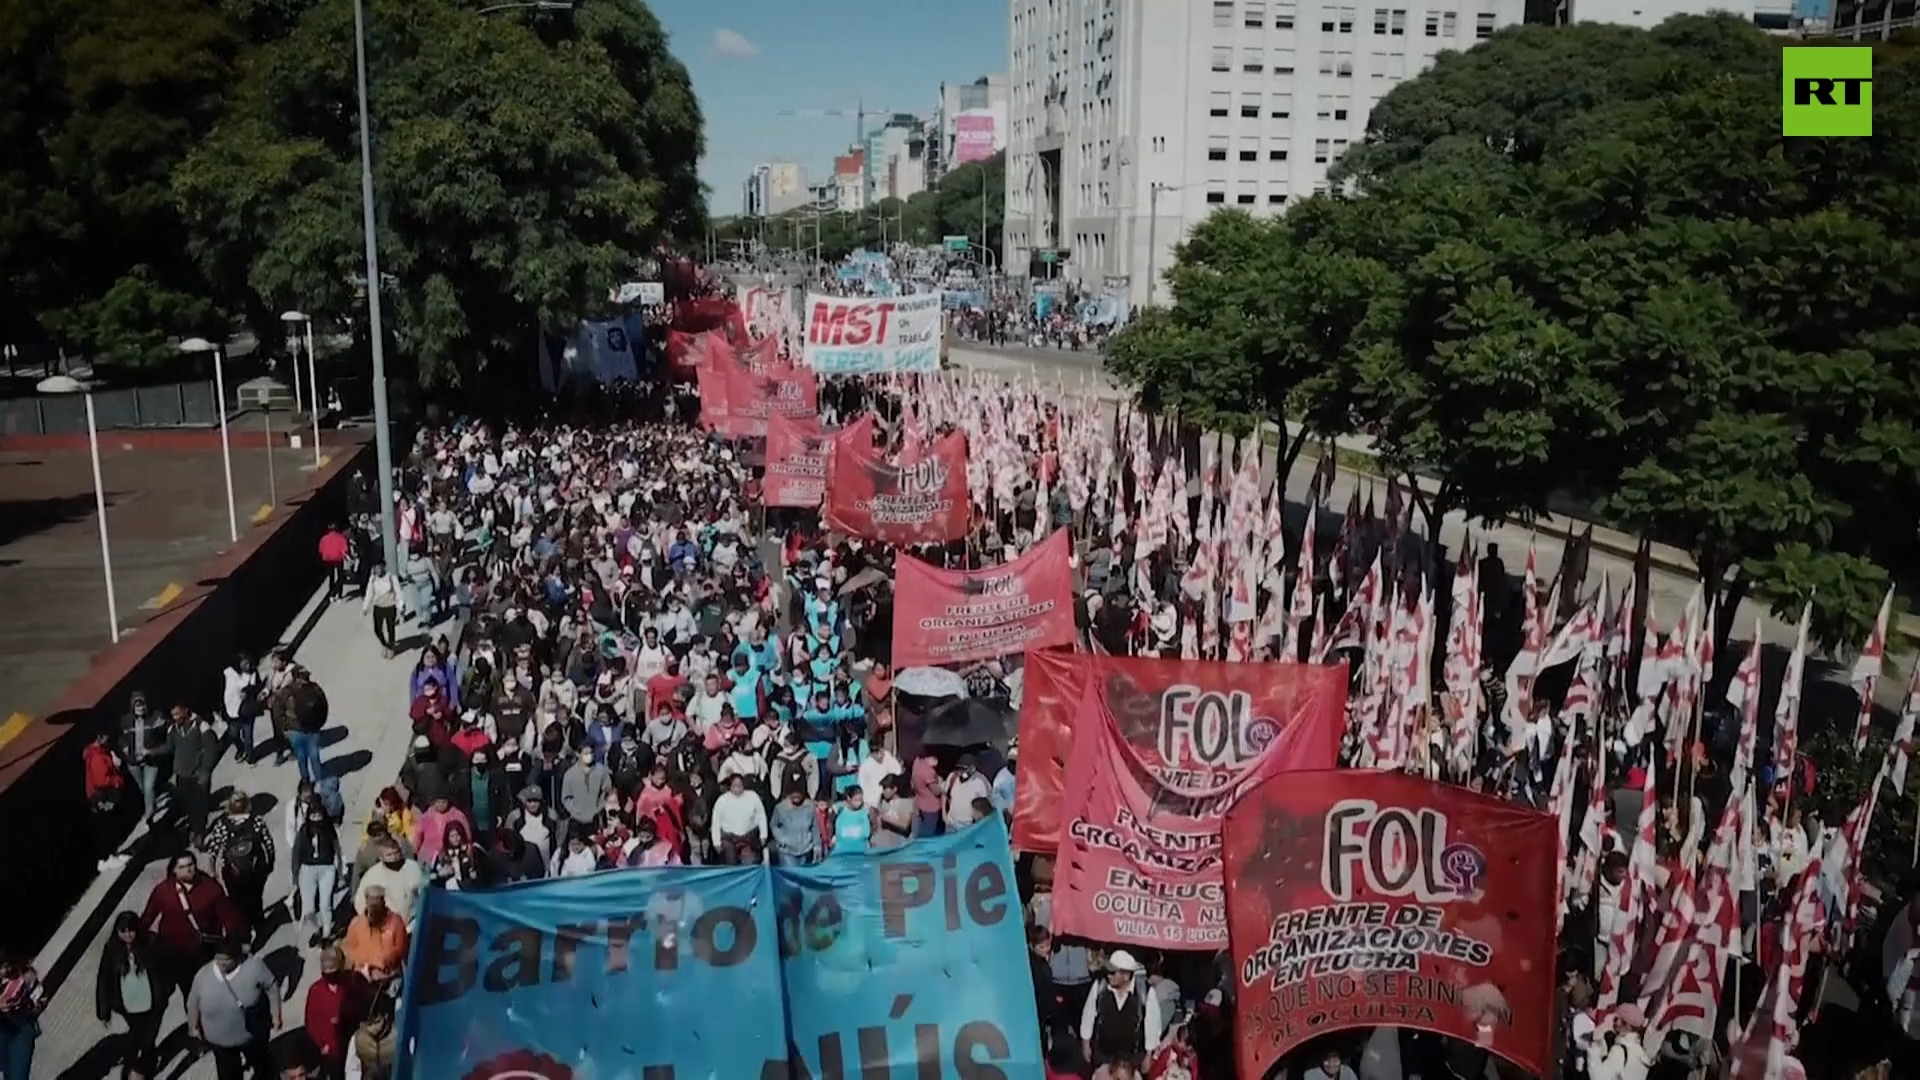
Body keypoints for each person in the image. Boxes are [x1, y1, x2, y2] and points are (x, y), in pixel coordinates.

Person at [140, 853, 240, 1016]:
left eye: (191, 865)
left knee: (210, 987)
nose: (189, 870)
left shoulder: (211, 888)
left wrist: (234, 944)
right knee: (189, 991)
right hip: (176, 954)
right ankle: (196, 1023)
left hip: (205, 951)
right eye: (183, 867)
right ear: (174, 870)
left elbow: (228, 917)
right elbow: (147, 917)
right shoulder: (163, 891)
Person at [185, 937, 280, 1080]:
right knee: (228, 1074)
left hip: (251, 1034)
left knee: (263, 1067)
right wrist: (193, 1026)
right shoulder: (203, 975)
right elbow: (193, 1001)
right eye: (218, 959)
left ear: (237, 957)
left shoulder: (254, 967)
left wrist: (276, 1013)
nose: (222, 963)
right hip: (220, 1042)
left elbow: (271, 986)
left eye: (226, 959)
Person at [95, 911, 163, 1080]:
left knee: (147, 1040)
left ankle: (143, 1068)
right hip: (128, 1005)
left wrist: (165, 993)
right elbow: (104, 979)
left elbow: (164, 970)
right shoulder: (111, 950)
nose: (127, 935)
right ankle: (134, 1072)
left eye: (131, 930)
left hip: (152, 1003)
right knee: (137, 1039)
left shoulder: (151, 943)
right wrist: (104, 1011)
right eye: (123, 931)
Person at [206, 791, 276, 947]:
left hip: (231, 872)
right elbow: (268, 844)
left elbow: (213, 850)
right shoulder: (256, 821)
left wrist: (213, 872)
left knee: (236, 903)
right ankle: (259, 927)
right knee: (255, 900)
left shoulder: (223, 824)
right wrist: (270, 864)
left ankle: (244, 934)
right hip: (256, 869)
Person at [1080, 950, 1160, 1076]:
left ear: (1126, 975)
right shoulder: (1100, 986)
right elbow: (1088, 1015)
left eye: (1113, 972)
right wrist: (1085, 1043)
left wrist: (1149, 1055)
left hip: (1132, 1058)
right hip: (1104, 1055)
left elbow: (1153, 1025)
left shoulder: (1145, 992)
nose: (1108, 976)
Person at [304, 947, 370, 1080]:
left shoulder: (353, 983)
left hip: (354, 1046)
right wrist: (322, 1045)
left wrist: (344, 1017)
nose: (330, 977)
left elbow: (365, 1008)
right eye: (326, 974)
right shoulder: (316, 991)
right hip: (332, 1052)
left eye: (334, 973)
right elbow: (311, 1021)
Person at [292, 800, 344, 947]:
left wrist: (340, 871)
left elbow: (337, 851)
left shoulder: (329, 829)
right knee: (308, 908)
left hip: (327, 868)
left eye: (318, 814)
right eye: (313, 814)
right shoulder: (303, 831)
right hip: (307, 869)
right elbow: (296, 853)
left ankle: (326, 933)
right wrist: (295, 876)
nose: (316, 818)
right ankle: (317, 929)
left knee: (325, 904)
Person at [341, 887, 408, 987]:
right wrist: (364, 963)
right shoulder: (357, 923)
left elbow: (401, 950)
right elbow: (348, 948)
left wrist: (382, 961)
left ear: (383, 902)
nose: (374, 909)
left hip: (386, 979)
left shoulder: (395, 922)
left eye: (377, 904)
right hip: (360, 979)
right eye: (371, 904)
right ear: (366, 903)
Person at [85, 728, 131, 872]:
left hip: (100, 796)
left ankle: (110, 855)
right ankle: (106, 858)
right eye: (106, 736)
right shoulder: (97, 757)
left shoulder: (99, 752)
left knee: (105, 826)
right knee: (105, 828)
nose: (108, 739)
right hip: (102, 796)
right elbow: (101, 780)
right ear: (99, 737)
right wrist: (117, 780)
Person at [353, 840, 427, 924]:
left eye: (396, 853)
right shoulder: (372, 875)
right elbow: (360, 903)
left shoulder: (413, 867)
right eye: (389, 855)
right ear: (381, 857)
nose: (394, 857)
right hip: (386, 926)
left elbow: (424, 892)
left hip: (412, 924)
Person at [0, 954, 45, 1080]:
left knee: (18, 1075)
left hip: (20, 1031)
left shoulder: (24, 976)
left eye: (5, 965)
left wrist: (32, 1008)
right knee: (7, 1070)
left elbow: (40, 995)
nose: (5, 971)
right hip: (2, 1032)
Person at [284, 666, 330, 784]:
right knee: (301, 758)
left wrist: (320, 723)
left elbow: (323, 706)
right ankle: (306, 781)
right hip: (296, 731)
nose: (307, 679)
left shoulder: (315, 689)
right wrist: (284, 729)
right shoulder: (288, 691)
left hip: (312, 730)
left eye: (307, 677)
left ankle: (320, 780)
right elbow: (278, 710)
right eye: (303, 677)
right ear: (296, 679)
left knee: (314, 756)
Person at [711, 772, 768, 865]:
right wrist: (716, 842)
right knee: (731, 865)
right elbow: (716, 822)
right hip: (729, 838)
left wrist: (763, 835)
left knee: (750, 863)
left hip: (749, 836)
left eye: (739, 784)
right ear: (730, 786)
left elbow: (761, 816)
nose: (737, 787)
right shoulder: (722, 800)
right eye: (735, 785)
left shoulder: (753, 796)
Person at [771, 779, 823, 866]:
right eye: (793, 794)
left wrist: (817, 845)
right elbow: (773, 825)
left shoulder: (810, 806)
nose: (796, 796)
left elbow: (815, 826)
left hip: (805, 850)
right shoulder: (780, 808)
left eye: (798, 793)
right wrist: (781, 838)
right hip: (787, 852)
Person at [943, 753, 994, 833]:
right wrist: (944, 815)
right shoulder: (953, 776)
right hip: (951, 824)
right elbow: (944, 794)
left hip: (969, 826)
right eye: (959, 768)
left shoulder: (981, 781)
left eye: (964, 769)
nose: (960, 771)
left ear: (972, 768)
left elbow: (985, 807)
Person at [363, 563, 402, 657]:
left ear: (383, 567)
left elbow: (398, 592)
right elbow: (369, 593)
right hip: (378, 606)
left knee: (390, 628)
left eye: (379, 567)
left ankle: (391, 647)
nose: (377, 570)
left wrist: (400, 606)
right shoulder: (373, 579)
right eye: (375, 568)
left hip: (390, 606)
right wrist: (365, 607)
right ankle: (384, 644)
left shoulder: (392, 578)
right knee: (377, 629)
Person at [830, 785, 874, 855]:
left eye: (860, 800)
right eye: (856, 800)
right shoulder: (839, 809)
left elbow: (873, 825)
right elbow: (830, 823)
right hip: (842, 851)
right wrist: (832, 837)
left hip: (862, 850)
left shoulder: (866, 809)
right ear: (848, 798)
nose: (859, 803)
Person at [320, 521, 351, 599]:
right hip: (338, 558)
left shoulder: (324, 539)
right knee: (340, 576)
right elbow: (345, 549)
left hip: (328, 559)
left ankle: (331, 593)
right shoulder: (341, 537)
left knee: (331, 577)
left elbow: (320, 550)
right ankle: (339, 594)